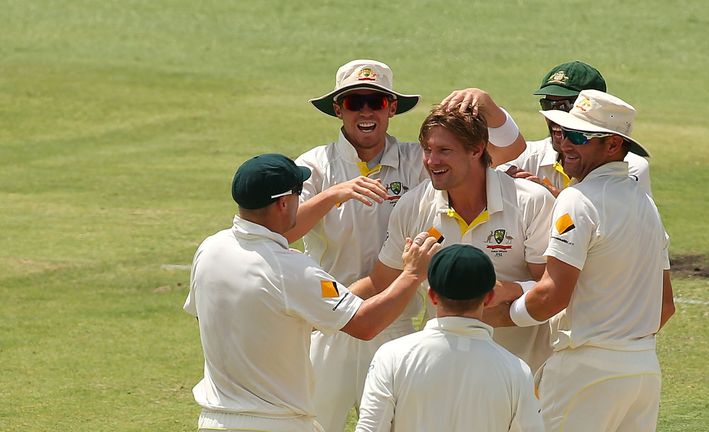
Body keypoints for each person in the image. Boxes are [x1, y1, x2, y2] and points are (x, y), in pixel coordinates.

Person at [283, 60, 527, 432]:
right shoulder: (315, 166)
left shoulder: (420, 158)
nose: (366, 111)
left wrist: (490, 107)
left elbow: (508, 150)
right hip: (330, 319)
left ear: (391, 108)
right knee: (315, 424)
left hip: (394, 320)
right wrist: (333, 194)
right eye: (354, 102)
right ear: (338, 109)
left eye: (376, 102)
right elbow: (281, 230)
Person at [183, 154, 440, 432]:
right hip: (276, 423)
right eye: (298, 193)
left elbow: (206, 317)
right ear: (283, 203)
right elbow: (365, 324)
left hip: (213, 421)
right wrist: (412, 274)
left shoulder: (209, 248)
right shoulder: (291, 270)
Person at [490, 90, 676, 432]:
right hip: (642, 371)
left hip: (584, 372)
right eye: (564, 134)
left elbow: (553, 295)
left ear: (613, 146)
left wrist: (501, 316)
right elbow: (665, 306)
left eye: (580, 137)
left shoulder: (577, 199)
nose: (566, 145)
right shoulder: (646, 205)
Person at [350, 102, 555, 373]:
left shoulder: (531, 202)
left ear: (477, 149)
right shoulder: (413, 205)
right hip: (443, 371)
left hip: (520, 369)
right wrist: (319, 308)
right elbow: (379, 282)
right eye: (427, 150)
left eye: (444, 151)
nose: (432, 161)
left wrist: (507, 294)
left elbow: (550, 289)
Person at [355, 244, 545, 432]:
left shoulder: (392, 356)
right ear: (489, 298)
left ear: (432, 296)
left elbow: (370, 428)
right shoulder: (517, 371)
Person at [499, 61, 652, 196]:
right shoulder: (526, 155)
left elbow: (613, 216)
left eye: (565, 106)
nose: (554, 116)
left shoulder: (630, 167)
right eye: (548, 106)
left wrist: (546, 196)